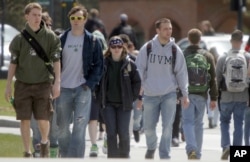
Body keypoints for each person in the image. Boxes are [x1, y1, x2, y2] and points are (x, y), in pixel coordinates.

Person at [4, 2, 61, 158]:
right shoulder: (18, 39)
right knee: (24, 119)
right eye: (34, 15)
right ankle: (27, 151)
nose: (37, 18)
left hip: (43, 83)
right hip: (23, 84)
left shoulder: (50, 37)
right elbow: (13, 63)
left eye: (39, 14)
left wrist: (57, 83)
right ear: (26, 16)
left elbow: (56, 61)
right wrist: (8, 86)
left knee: (43, 118)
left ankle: (44, 142)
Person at [135, 18, 189, 159]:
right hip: (150, 94)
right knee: (148, 128)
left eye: (170, 28)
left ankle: (165, 154)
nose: (168, 31)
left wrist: (185, 94)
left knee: (167, 127)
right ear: (157, 30)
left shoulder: (175, 50)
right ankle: (152, 147)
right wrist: (139, 94)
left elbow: (181, 73)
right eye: (165, 28)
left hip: (169, 94)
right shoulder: (147, 48)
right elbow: (139, 71)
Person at [55, 4, 103, 158]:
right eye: (73, 18)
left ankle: (74, 158)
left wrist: (89, 84)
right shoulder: (61, 39)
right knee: (62, 127)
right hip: (63, 89)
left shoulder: (93, 41)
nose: (76, 21)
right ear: (69, 19)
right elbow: (53, 62)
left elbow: (99, 66)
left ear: (84, 20)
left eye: (79, 18)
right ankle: (66, 154)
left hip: (83, 89)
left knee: (79, 127)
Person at [97, 36, 141, 158]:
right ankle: (112, 157)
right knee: (111, 133)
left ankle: (124, 156)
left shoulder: (130, 63)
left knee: (123, 133)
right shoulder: (103, 63)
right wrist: (99, 96)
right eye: (113, 46)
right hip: (108, 104)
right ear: (109, 48)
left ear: (123, 48)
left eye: (119, 46)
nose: (116, 49)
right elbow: (97, 82)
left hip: (124, 104)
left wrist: (131, 96)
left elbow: (137, 82)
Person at [182, 28, 218, 159]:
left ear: (188, 39)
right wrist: (213, 98)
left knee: (187, 122)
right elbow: (213, 77)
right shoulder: (207, 55)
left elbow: (176, 75)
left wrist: (177, 94)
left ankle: (191, 148)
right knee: (199, 124)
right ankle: (197, 153)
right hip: (202, 94)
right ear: (200, 39)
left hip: (186, 94)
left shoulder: (183, 54)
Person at [216, 29, 250, 160]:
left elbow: (217, 78)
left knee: (224, 122)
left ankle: (225, 147)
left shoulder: (223, 57)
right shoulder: (247, 57)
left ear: (231, 41)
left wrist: (216, 97)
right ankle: (237, 153)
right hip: (242, 96)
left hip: (226, 96)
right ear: (241, 42)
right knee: (239, 124)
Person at [30, 11, 60, 158]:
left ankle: (53, 148)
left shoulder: (56, 42)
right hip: (33, 87)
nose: (47, 28)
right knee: (35, 122)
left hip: (52, 88)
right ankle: (38, 149)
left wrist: (58, 83)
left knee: (53, 123)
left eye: (49, 25)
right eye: (44, 25)